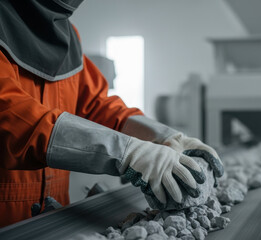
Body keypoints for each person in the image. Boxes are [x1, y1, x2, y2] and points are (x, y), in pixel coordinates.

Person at [0, 0, 223, 227]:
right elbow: (11, 116)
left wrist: (165, 138)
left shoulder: (66, 36)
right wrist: (126, 151)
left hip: (53, 215)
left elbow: (97, 106)